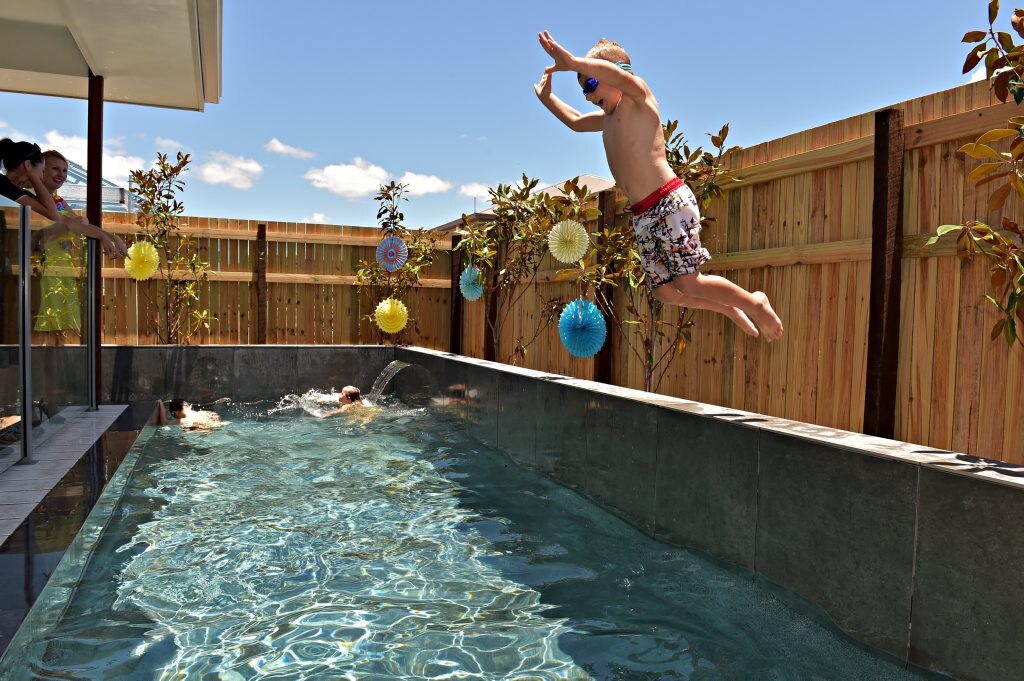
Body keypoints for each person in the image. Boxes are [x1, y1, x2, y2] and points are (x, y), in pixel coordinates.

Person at [534, 32, 784, 342]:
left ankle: (755, 302)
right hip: (642, 215)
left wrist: (572, 62)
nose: (586, 94)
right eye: (582, 88)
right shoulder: (607, 118)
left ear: (618, 73)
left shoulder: (639, 96)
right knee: (667, 293)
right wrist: (548, 100)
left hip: (668, 202)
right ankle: (728, 307)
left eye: (590, 83)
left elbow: (614, 75)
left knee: (690, 283)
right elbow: (574, 120)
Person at [32, 150, 129, 336]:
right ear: (41, 170)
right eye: (55, 169)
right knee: (44, 335)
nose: (61, 174)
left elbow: (79, 224)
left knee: (60, 335)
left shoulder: (56, 200)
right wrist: (101, 236)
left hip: (60, 270)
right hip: (42, 270)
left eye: (65, 171)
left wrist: (112, 237)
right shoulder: (34, 197)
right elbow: (71, 224)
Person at [0, 139, 61, 220]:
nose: (62, 175)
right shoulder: (3, 185)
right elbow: (55, 215)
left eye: (65, 170)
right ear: (28, 164)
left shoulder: (22, 193)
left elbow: (57, 216)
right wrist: (34, 176)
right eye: (42, 170)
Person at [158, 398, 222, 430]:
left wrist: (160, 404)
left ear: (176, 413)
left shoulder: (184, 420)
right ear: (188, 405)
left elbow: (165, 423)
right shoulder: (205, 413)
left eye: (174, 415)